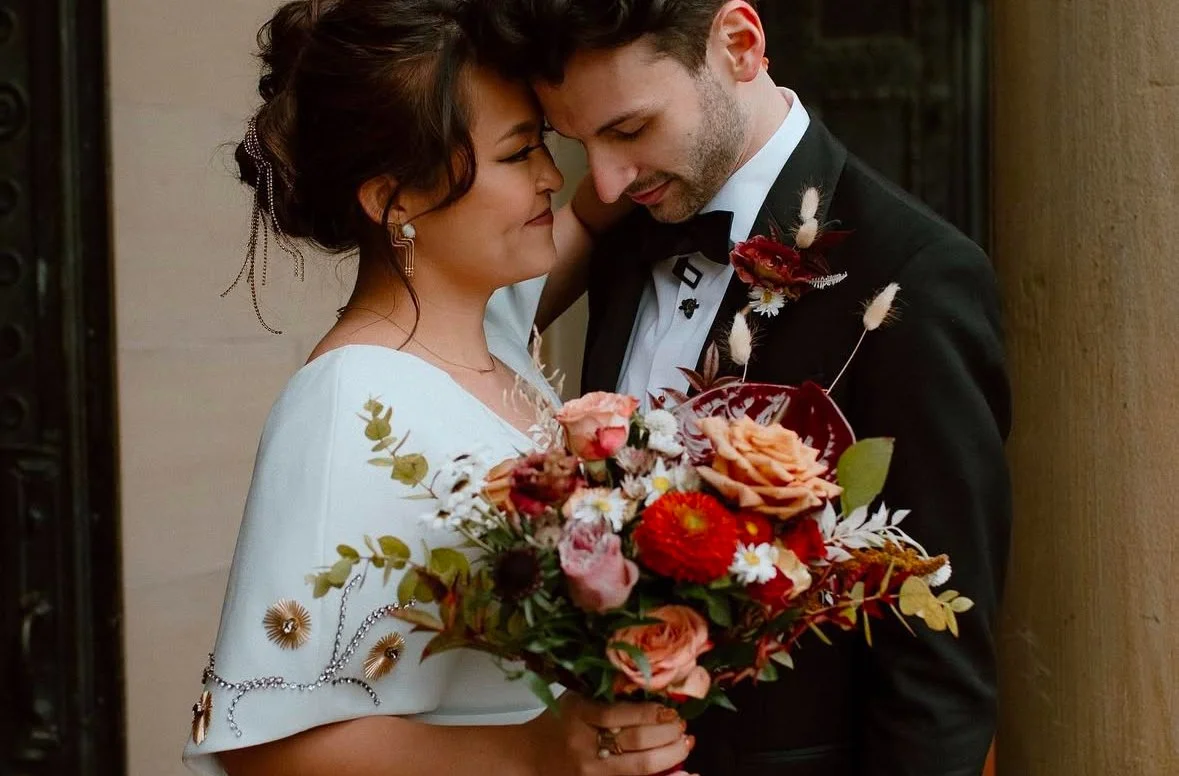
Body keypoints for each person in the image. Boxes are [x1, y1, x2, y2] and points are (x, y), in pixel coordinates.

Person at [472, 2, 1013, 774]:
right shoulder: (623, 228)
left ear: (738, 44)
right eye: (578, 141)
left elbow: (939, 677)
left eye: (628, 130)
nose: (603, 179)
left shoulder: (918, 280)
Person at [181, 2, 693, 775]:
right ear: (395, 199)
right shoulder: (347, 407)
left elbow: (588, 212)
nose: (554, 176)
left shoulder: (487, 335)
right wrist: (533, 751)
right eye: (520, 154)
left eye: (546, 144)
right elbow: (266, 746)